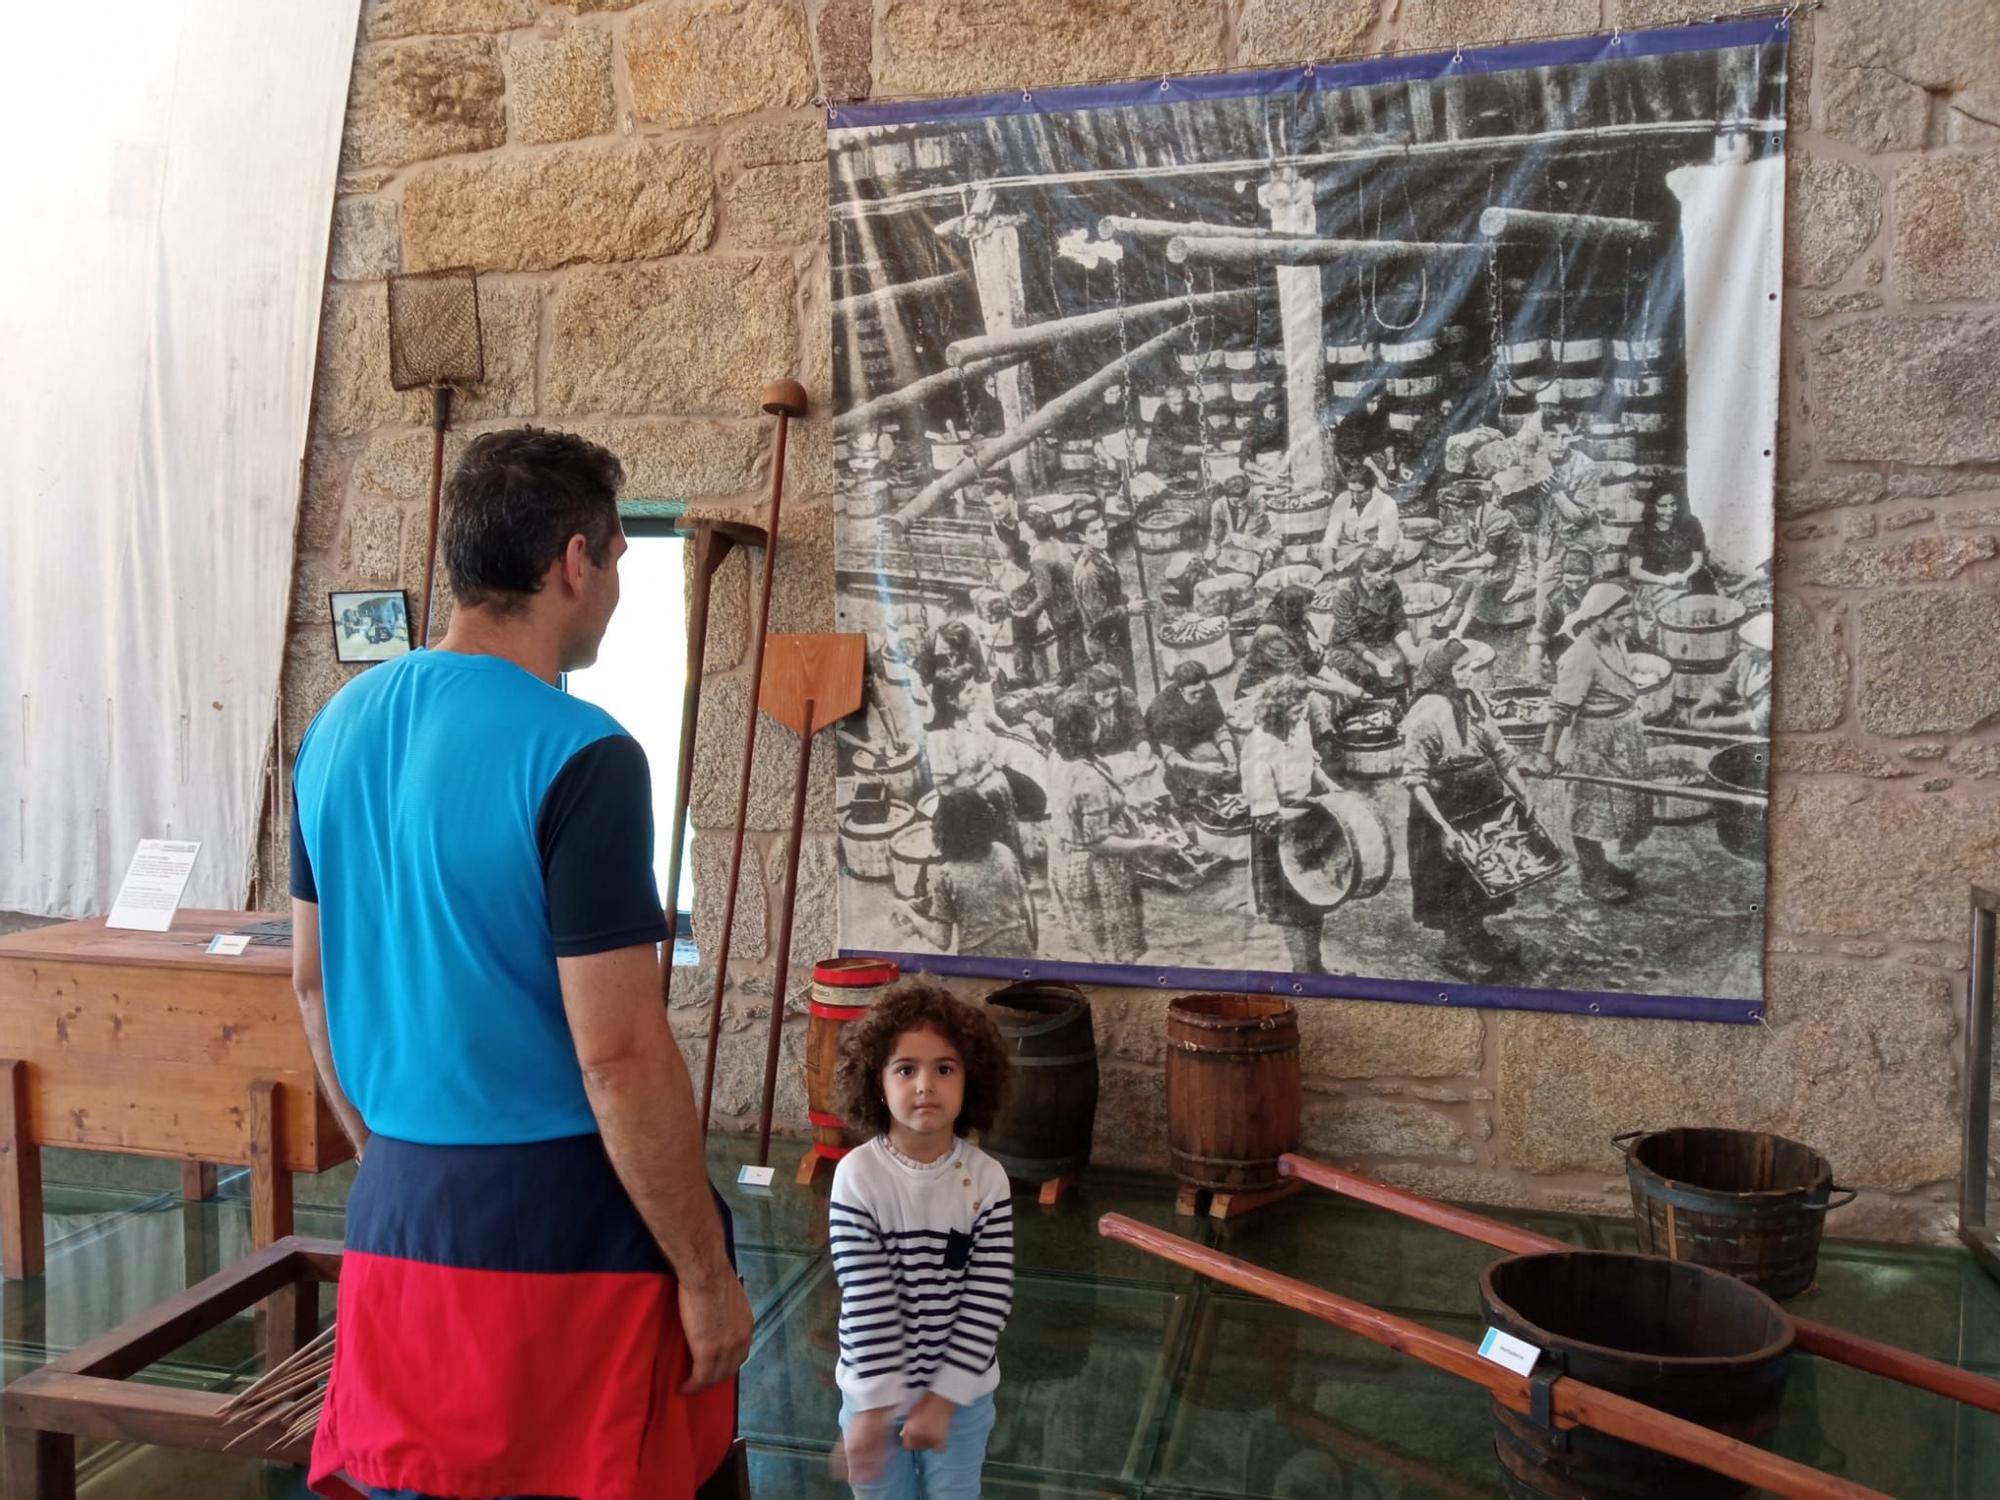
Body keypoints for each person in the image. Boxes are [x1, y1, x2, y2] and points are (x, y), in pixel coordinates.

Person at [290, 429, 752, 1499]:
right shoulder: (581, 753)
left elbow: (311, 985)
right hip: (562, 1236)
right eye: (620, 572)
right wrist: (702, 1273)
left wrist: (390, 1153)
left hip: (401, 1209)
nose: (613, 599)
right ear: (575, 562)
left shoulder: (335, 730)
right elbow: (621, 1058)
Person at [831, 982, 1015, 1500]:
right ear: (877, 1080)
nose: (925, 1085)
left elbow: (989, 1296)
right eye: (906, 1068)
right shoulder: (857, 1177)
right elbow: (866, 1297)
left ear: (970, 1079)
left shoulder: (987, 1180)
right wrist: (872, 1410)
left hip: (962, 1400)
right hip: (871, 1398)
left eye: (944, 1068)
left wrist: (944, 1397)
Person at [1402, 639, 1536, 981]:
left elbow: (1500, 751)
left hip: (1482, 799)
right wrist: (1443, 829)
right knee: (1449, 880)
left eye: (1469, 669)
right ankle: (1455, 950)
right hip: (1444, 806)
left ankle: (1476, 937)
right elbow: (1416, 780)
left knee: (1482, 873)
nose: (1467, 676)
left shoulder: (1474, 702)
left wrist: (1523, 793)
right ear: (1441, 673)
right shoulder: (1426, 713)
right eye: (1458, 670)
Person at [1534, 582, 1653, 904]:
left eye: (1629, 617)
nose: (1627, 624)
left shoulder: (1615, 638)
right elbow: (1561, 712)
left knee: (1618, 808)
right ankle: (1592, 881)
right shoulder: (1579, 656)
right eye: (1620, 618)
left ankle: (1602, 865)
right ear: (1596, 618)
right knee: (1589, 813)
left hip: (1622, 733)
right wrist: (1547, 755)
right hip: (1593, 740)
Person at [1045, 695, 1171, 963]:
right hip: (1095, 870)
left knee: (1092, 943)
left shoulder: (1058, 759)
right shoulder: (1088, 779)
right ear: (1089, 730)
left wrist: (1130, 802)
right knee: (1113, 948)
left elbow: (1075, 809)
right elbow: (1098, 840)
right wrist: (1148, 845)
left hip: (1066, 859)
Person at [1240, 678, 1340, 974]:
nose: (1302, 716)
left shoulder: (1298, 727)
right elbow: (1266, 816)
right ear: (1278, 709)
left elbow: (1312, 765)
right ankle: (1303, 971)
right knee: (1291, 910)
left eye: (1304, 710)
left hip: (1306, 818)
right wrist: (1314, 809)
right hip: (1278, 830)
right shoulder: (1260, 746)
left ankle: (1315, 965)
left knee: (1316, 901)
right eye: (1296, 710)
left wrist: (1334, 791)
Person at [892, 789, 1036, 959]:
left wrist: (909, 912)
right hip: (1020, 948)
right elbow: (1021, 905)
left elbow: (941, 940)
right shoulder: (1003, 851)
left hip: (979, 960)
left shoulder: (946, 874)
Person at [1234, 584, 1366, 709]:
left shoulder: (1295, 621)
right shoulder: (1270, 632)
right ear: (1294, 609)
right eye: (1306, 610)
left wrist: (1347, 686)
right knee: (1316, 701)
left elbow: (1311, 664)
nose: (1308, 614)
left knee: (1338, 679)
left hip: (1288, 677)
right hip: (1261, 687)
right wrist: (1342, 689)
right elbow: (1299, 677)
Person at [1322, 546, 1419, 694]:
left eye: (1390, 573)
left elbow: (1398, 623)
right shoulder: (1346, 592)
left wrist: (1409, 651)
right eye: (1383, 574)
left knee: (1400, 670)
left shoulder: (1391, 588)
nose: (1389, 578)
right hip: (1348, 647)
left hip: (1379, 641)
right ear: (1366, 572)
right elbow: (1350, 638)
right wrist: (1378, 662)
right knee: (1368, 676)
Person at [1434, 488, 1526, 639]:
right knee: (1469, 580)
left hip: (1514, 562)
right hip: (1496, 559)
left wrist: (1454, 566)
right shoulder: (1473, 516)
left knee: (1480, 582)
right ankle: (1446, 622)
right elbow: (1471, 546)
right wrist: (1447, 562)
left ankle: (1459, 631)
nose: (1453, 515)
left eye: (1456, 510)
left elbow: (1490, 560)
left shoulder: (1497, 518)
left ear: (1471, 507)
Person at [1144, 660, 1238, 805]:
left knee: (1233, 754)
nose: (1199, 695)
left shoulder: (1206, 691)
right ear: (1180, 689)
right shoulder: (1162, 710)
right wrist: (1201, 767)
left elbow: (1218, 727)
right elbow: (1169, 754)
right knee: (1207, 763)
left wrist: (1231, 757)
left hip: (1198, 738)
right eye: (1193, 693)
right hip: (1174, 748)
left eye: (1201, 689)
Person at [1627, 491, 1715, 646]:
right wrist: (1664, 580)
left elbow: (1698, 560)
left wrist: (1684, 576)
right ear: (1652, 507)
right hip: (1656, 582)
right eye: (1663, 506)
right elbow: (1635, 571)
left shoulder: (1691, 524)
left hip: (1689, 577)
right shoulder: (1641, 531)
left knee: (1701, 614)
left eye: (1673, 504)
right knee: (1659, 616)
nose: (1669, 510)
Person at [1071, 511, 1148, 680]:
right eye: (1094, 532)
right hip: (1104, 643)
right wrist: (1127, 609)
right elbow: (1099, 615)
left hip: (1115, 633)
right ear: (1082, 537)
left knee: (1127, 678)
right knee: (1117, 684)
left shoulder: (1101, 555)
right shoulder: (1088, 571)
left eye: (1103, 529)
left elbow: (1107, 594)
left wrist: (1125, 599)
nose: (1101, 536)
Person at [1016, 507, 1088, 685]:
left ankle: (1067, 679)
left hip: (1060, 609)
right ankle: (1075, 675)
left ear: (1033, 531)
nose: (1020, 530)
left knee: (1063, 644)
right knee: (1075, 644)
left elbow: (1045, 594)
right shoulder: (1056, 542)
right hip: (1073, 601)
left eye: (1023, 527)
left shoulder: (1038, 556)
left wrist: (1027, 614)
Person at [1691, 611, 1773, 735]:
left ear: (1764, 650)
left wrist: (1710, 724)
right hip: (1741, 717)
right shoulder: (1745, 658)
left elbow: (1756, 719)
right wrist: (1705, 703)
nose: (1741, 646)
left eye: (1748, 644)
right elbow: (1723, 686)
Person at [1527, 547, 1599, 678]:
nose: (1574, 587)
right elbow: (1541, 632)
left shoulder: (1603, 592)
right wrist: (1534, 666)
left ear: (1590, 576)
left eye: (1580, 581)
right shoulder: (1556, 598)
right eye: (1569, 581)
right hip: (1568, 651)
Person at [1318, 469, 1402, 564]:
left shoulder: (1387, 503)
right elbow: (1332, 533)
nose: (1355, 496)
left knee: (1373, 565)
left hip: (1376, 548)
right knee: (1324, 556)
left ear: (1372, 488)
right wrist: (1327, 561)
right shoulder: (1342, 499)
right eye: (1351, 491)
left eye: (1360, 492)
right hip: (1351, 546)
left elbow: (1386, 542)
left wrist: (1355, 557)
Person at [1148, 382, 1205, 484]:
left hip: (1191, 454)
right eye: (1175, 404)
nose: (1179, 408)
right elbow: (1163, 440)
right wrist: (1189, 449)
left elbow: (1206, 430)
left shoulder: (1195, 409)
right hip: (1166, 457)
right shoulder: (1162, 413)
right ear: (1166, 401)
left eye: (1182, 403)